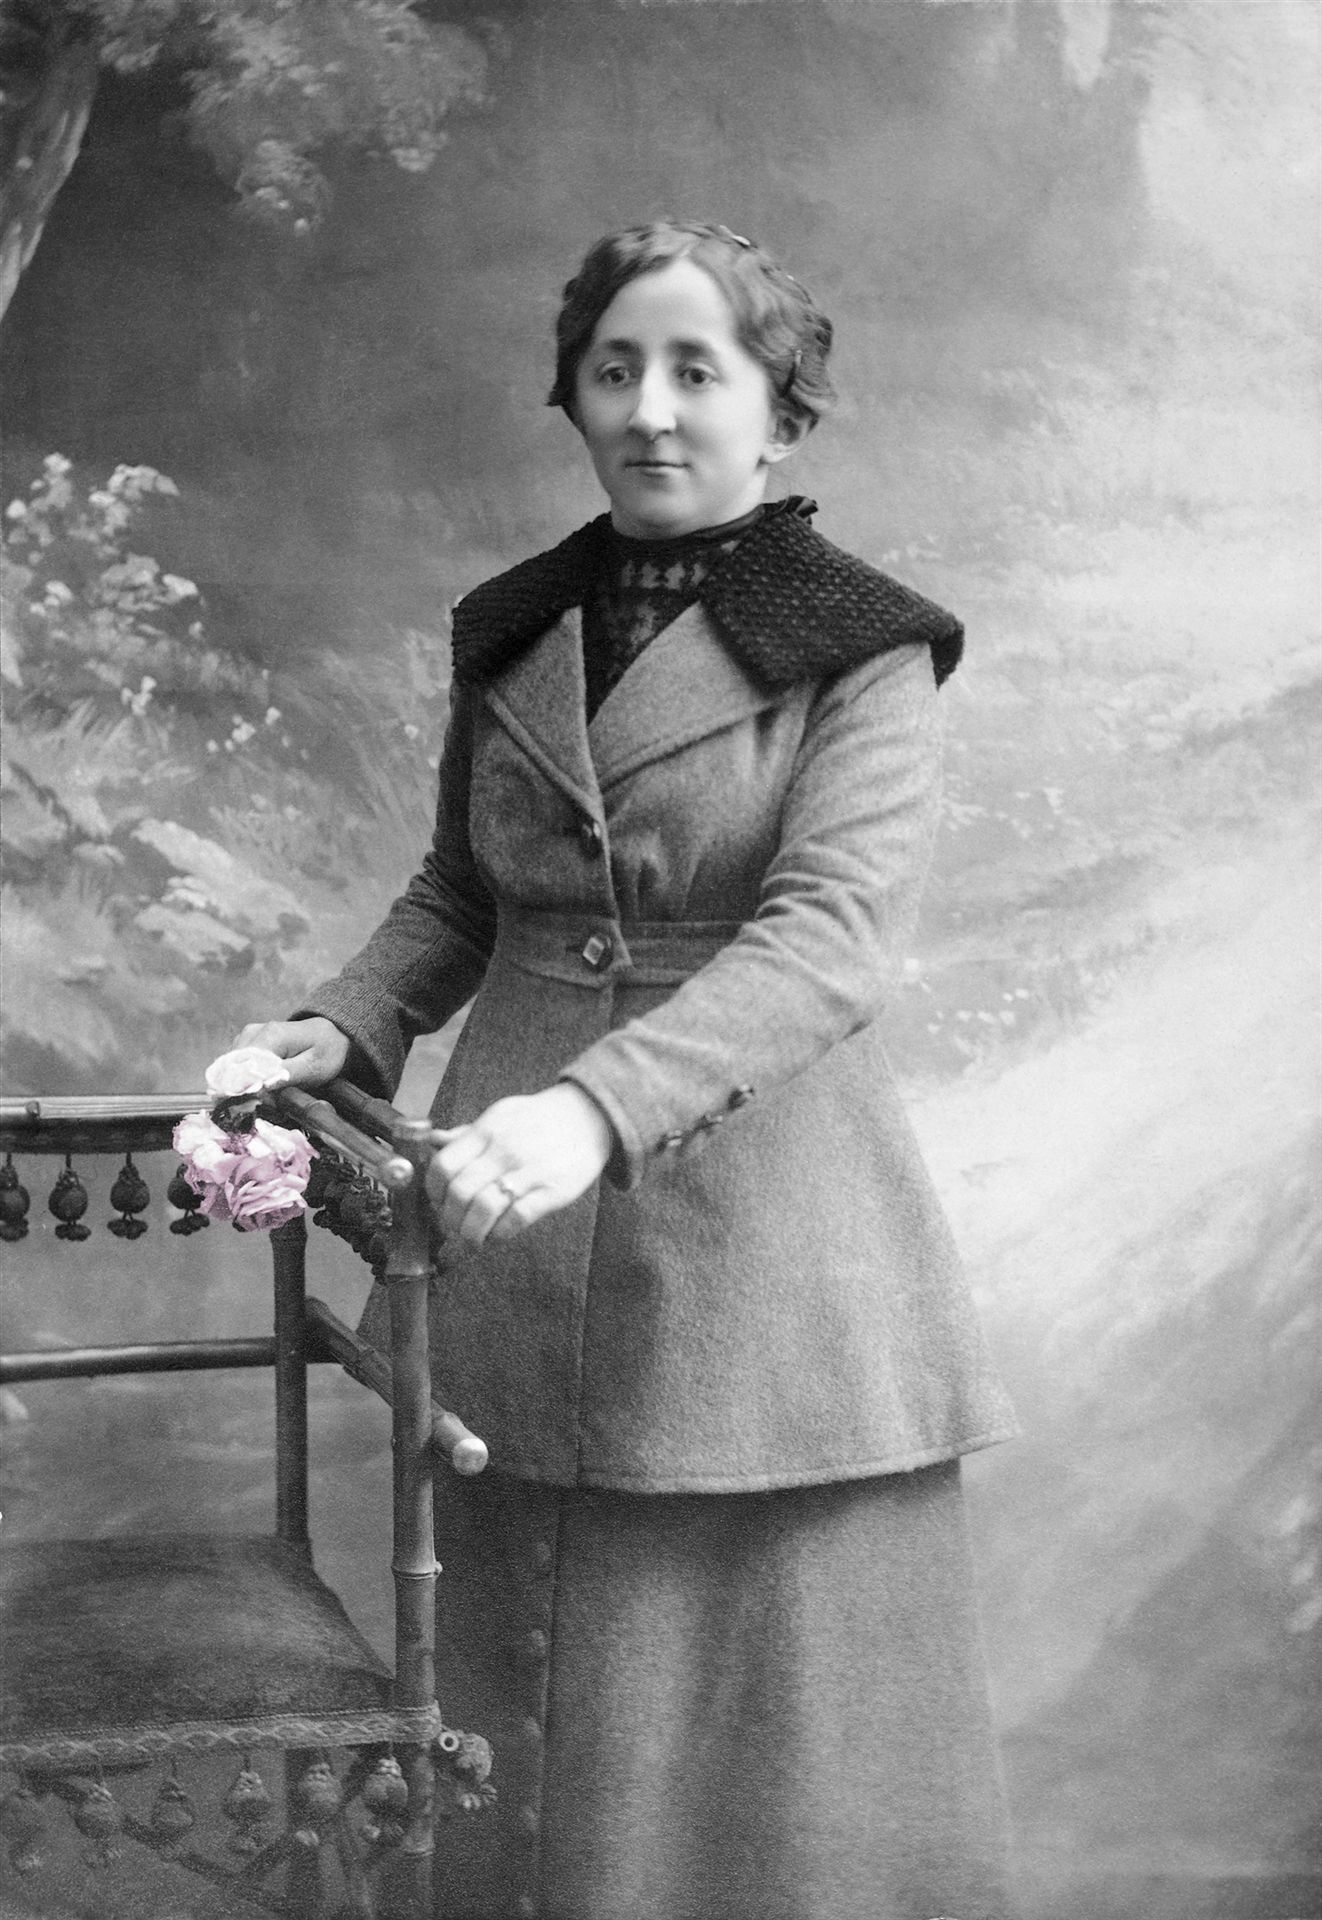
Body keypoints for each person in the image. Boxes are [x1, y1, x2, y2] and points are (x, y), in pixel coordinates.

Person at [231, 219, 1019, 1920]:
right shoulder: (516, 626)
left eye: (694, 370)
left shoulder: (862, 646)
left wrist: (597, 1110)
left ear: (778, 412)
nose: (650, 409)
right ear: (573, 398)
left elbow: (831, 941)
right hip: (505, 1228)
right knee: (520, 1684)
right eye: (614, 369)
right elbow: (460, 892)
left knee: (760, 1713)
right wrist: (347, 1022)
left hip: (760, 1231)